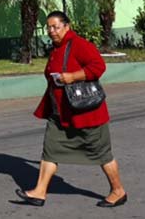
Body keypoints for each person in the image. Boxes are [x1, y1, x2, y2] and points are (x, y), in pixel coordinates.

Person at [15, 11, 127, 208]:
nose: (51, 31)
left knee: (102, 153)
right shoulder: (57, 48)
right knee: (50, 150)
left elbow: (98, 66)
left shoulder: (79, 44)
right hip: (61, 114)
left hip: (86, 114)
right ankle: (40, 192)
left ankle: (118, 191)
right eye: (48, 27)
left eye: (55, 27)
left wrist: (72, 77)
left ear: (66, 26)